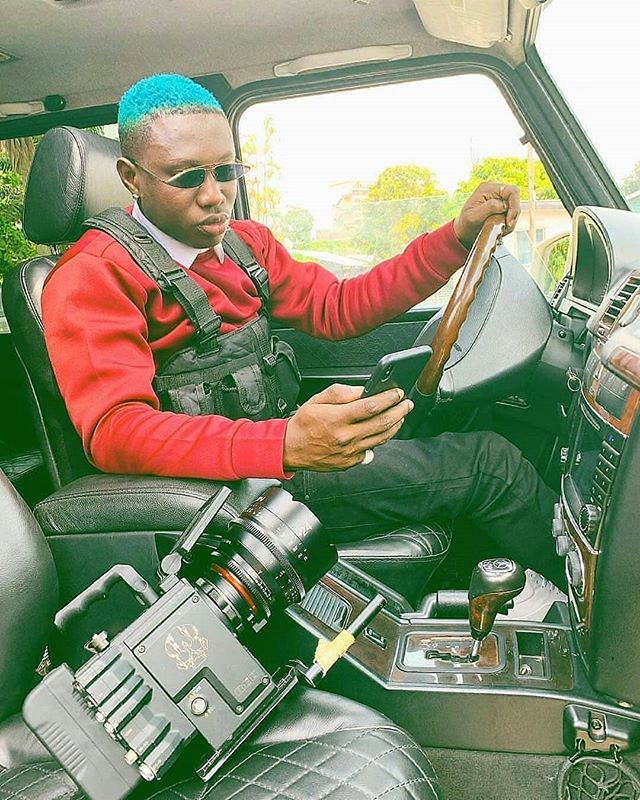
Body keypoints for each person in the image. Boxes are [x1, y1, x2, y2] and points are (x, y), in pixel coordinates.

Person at [41, 74, 562, 587]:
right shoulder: (94, 274)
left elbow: (337, 308)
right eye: (185, 177)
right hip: (231, 495)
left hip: (276, 455)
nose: (214, 195)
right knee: (489, 464)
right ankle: (590, 612)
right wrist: (285, 443)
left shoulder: (245, 245)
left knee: (453, 419)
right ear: (132, 178)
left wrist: (455, 239)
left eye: (226, 171)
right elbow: (115, 429)